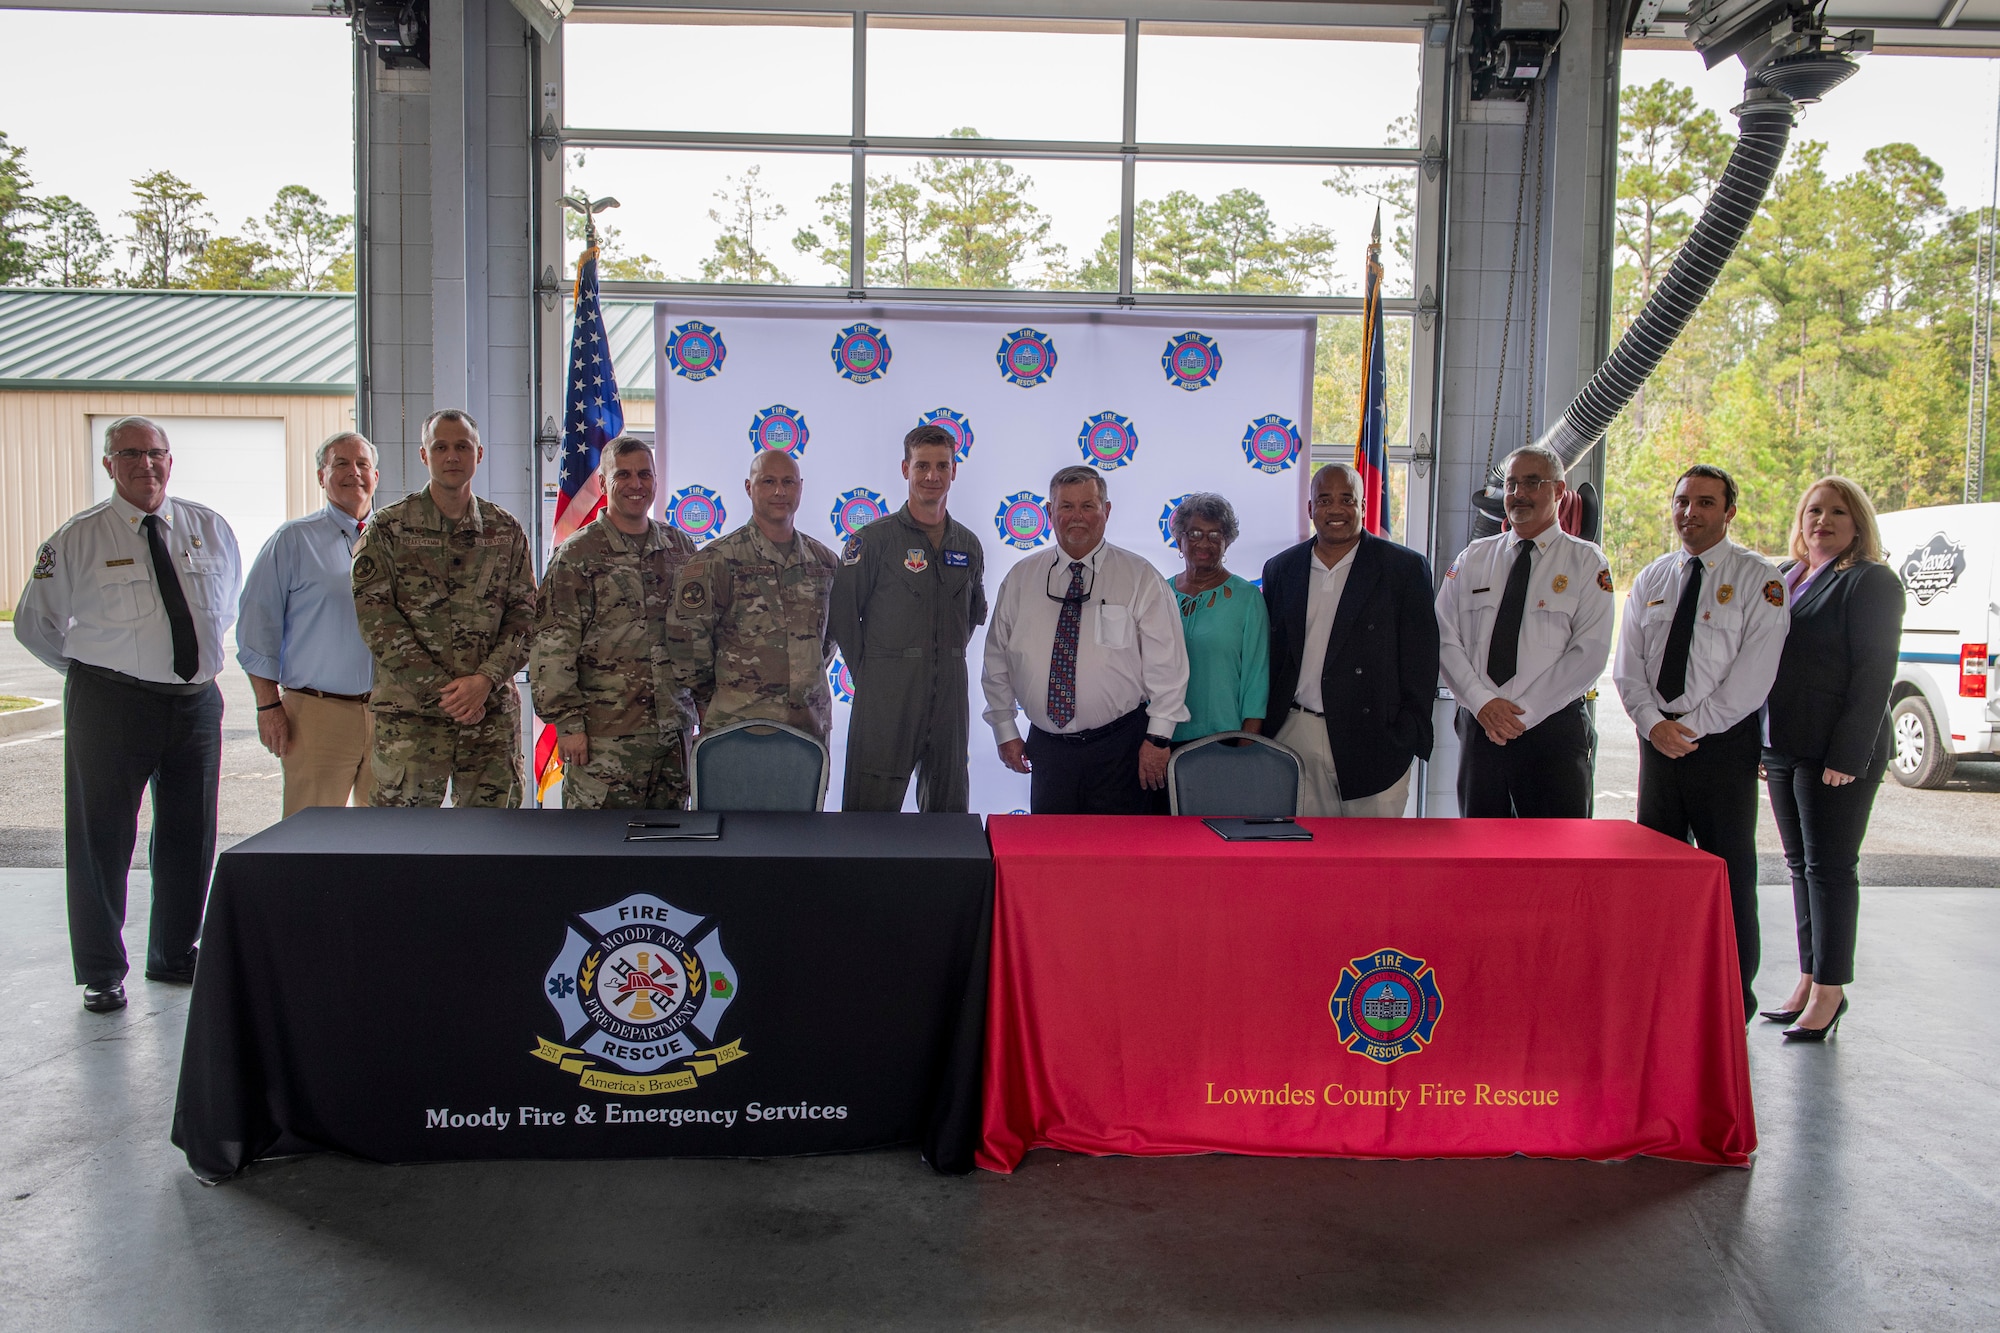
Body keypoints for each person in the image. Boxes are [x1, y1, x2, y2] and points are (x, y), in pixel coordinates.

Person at [14, 416, 242, 1013]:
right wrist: (94, 675)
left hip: (195, 702)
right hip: (112, 704)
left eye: (156, 453)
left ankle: (174, 952)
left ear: (171, 461)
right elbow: (33, 625)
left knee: (191, 835)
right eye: (131, 454)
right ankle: (100, 971)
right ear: (109, 464)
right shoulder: (78, 538)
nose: (146, 464)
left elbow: (223, 610)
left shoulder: (207, 527)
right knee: (103, 838)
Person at [1614, 464, 1789, 1022]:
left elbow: (1753, 676)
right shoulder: (1652, 578)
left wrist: (1689, 727)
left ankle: (1733, 998)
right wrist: (1652, 722)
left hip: (1719, 744)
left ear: (1729, 512)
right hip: (1657, 742)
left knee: (1728, 873)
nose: (1691, 513)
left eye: (1706, 503)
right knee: (1655, 876)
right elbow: (1628, 668)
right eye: (1683, 501)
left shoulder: (1761, 580)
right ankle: (1659, 993)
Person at [1759, 476, 1903, 1041]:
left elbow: (1875, 674)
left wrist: (1848, 754)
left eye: (1838, 512)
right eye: (1814, 511)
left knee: (1831, 868)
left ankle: (1830, 991)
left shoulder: (1870, 581)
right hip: (1784, 743)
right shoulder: (1787, 577)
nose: (1823, 521)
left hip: (1836, 751)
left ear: (1858, 522)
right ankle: (1807, 976)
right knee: (1799, 867)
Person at [352, 408, 537, 808]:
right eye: (441, 447)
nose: (452, 456)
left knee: (493, 842)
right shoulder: (388, 529)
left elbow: (525, 617)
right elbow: (377, 619)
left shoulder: (505, 530)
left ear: (479, 454)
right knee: (404, 848)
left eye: (462, 447)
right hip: (412, 719)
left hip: (489, 716)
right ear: (424, 455)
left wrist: (485, 681)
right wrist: (445, 694)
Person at [981, 465, 1189, 814]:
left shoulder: (1141, 578)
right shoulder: (1020, 579)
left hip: (1121, 749)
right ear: (1049, 513)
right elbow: (996, 660)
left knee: (1119, 860)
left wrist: (1157, 738)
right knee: (1052, 858)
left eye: (1088, 506)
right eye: (1066, 506)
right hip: (1048, 752)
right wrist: (1005, 728)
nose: (1077, 516)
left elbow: (1168, 666)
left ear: (1106, 511)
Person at [1435, 444, 1615, 818]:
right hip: (1481, 728)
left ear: (1560, 491)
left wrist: (1523, 715)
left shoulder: (1586, 561)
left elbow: (1590, 652)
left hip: (1552, 730)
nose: (1519, 494)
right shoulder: (1474, 557)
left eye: (1532, 483)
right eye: (1512, 484)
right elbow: (1443, 635)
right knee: (1480, 853)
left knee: (1556, 855)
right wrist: (1483, 703)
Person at [531, 436, 700, 809]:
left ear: (656, 479)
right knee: (598, 855)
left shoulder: (681, 549)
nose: (635, 484)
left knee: (668, 850)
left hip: (673, 735)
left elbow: (700, 635)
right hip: (604, 738)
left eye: (644, 474)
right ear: (602, 484)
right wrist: (568, 724)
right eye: (622, 475)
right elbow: (552, 646)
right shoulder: (576, 555)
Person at [1262, 463, 1439, 817]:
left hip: (1375, 738)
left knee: (1373, 859)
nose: (1336, 509)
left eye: (1347, 499)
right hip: (1297, 732)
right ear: (1310, 509)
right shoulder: (1281, 569)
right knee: (1305, 857)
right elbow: (1273, 655)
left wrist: (1406, 733)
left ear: (1362, 505)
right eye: (1324, 500)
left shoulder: (1403, 568)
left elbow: (1421, 660)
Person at [829, 423, 988, 812]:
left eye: (942, 465)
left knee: (948, 808)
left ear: (954, 470)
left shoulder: (967, 545)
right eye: (922, 466)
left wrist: (939, 655)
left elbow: (969, 616)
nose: (932, 476)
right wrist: (872, 674)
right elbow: (843, 615)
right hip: (887, 692)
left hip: (949, 689)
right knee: (871, 813)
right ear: (905, 469)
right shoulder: (873, 541)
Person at [236, 431, 380, 815]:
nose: (354, 473)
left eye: (363, 464)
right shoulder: (293, 541)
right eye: (341, 464)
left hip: (389, 715)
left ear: (375, 476)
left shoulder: (394, 541)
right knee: (311, 841)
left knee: (388, 840)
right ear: (321, 476)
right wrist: (267, 707)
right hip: (318, 715)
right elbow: (256, 630)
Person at [668, 449, 840, 742]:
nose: (779, 491)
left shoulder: (824, 562)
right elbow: (687, 644)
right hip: (737, 725)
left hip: (808, 727)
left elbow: (828, 639)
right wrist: (716, 700)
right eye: (767, 482)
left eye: (788, 482)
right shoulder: (716, 561)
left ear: (800, 486)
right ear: (749, 487)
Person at [1166, 492, 1269, 743]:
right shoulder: (1159, 593)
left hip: (1225, 739)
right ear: (1180, 540)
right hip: (1161, 739)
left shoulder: (1247, 599)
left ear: (1227, 543)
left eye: (1215, 535)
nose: (1204, 543)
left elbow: (1257, 678)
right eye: (1194, 533)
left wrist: (1246, 744)